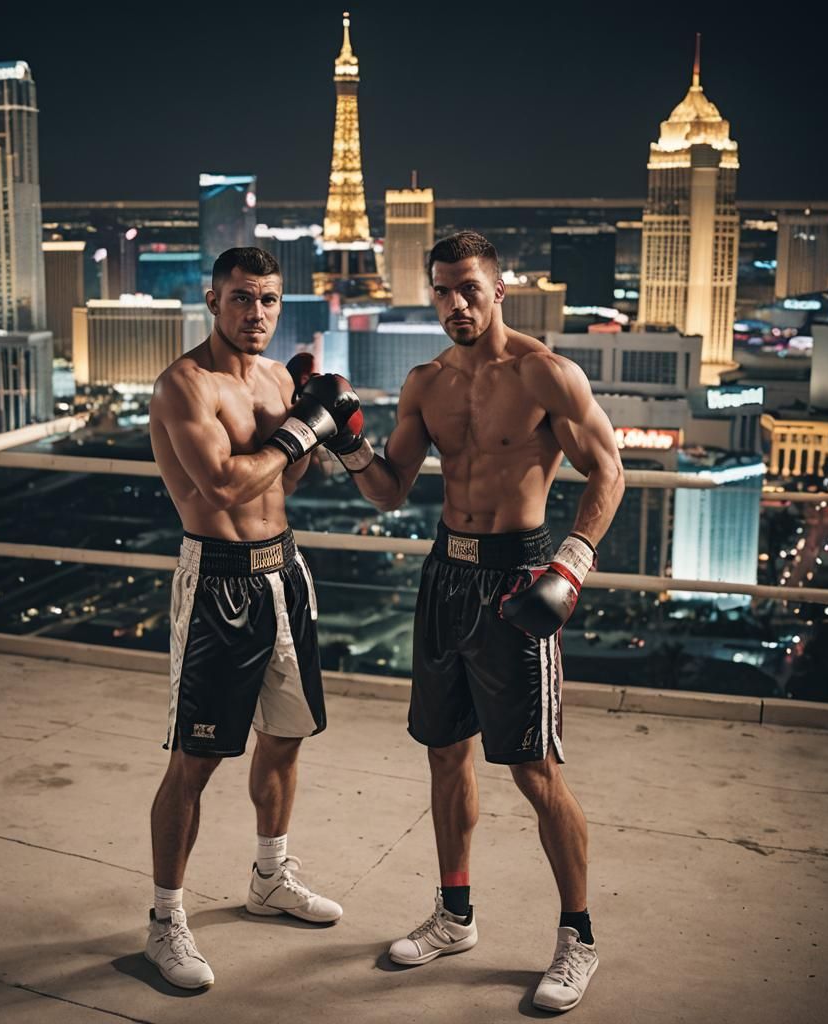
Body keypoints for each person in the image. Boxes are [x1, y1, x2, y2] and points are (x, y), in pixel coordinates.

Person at [336, 231, 625, 1013]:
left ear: (500, 289)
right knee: (443, 753)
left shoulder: (543, 373)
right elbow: (391, 491)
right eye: (441, 290)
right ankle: (454, 914)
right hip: (444, 574)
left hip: (518, 574)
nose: (455, 304)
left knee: (533, 769)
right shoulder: (425, 383)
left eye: (468, 287)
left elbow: (609, 470)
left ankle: (578, 937)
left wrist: (569, 566)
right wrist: (349, 442)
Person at [145, 247, 362, 989]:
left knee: (286, 738)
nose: (256, 314)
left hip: (285, 575)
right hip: (217, 584)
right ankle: (165, 920)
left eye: (268, 300)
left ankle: (270, 877)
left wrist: (314, 417)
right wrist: (303, 431)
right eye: (241, 299)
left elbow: (286, 479)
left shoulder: (275, 378)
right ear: (213, 300)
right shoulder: (184, 386)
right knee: (195, 762)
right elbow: (225, 485)